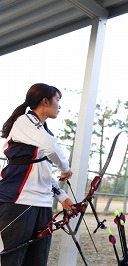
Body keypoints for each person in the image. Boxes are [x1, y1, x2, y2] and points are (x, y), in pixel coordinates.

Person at [0, 83, 74, 266]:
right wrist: (65, 169)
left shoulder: (44, 131)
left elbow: (43, 170)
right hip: (20, 201)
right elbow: (51, 148)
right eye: (58, 100)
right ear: (45, 101)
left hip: (42, 203)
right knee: (13, 259)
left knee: (38, 259)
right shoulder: (25, 122)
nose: (60, 105)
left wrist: (62, 196)